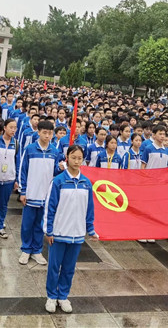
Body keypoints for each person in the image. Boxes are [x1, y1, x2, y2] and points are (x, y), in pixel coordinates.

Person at [43, 144, 99, 314]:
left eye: (79, 158)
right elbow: (49, 207)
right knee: (54, 266)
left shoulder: (86, 183)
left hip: (77, 234)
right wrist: (48, 230)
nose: (76, 161)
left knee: (69, 268)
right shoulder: (58, 181)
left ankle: (63, 296)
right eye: (73, 157)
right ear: (67, 158)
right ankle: (51, 296)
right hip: (59, 233)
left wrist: (91, 230)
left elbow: (89, 209)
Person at [18, 120, 63, 265]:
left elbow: (54, 172)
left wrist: (60, 168)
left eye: (50, 133)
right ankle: (26, 249)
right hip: (31, 193)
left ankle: (37, 250)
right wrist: (23, 191)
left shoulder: (54, 152)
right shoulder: (30, 149)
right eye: (44, 132)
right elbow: (22, 170)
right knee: (27, 224)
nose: (47, 136)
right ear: (39, 132)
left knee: (40, 224)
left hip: (46, 194)